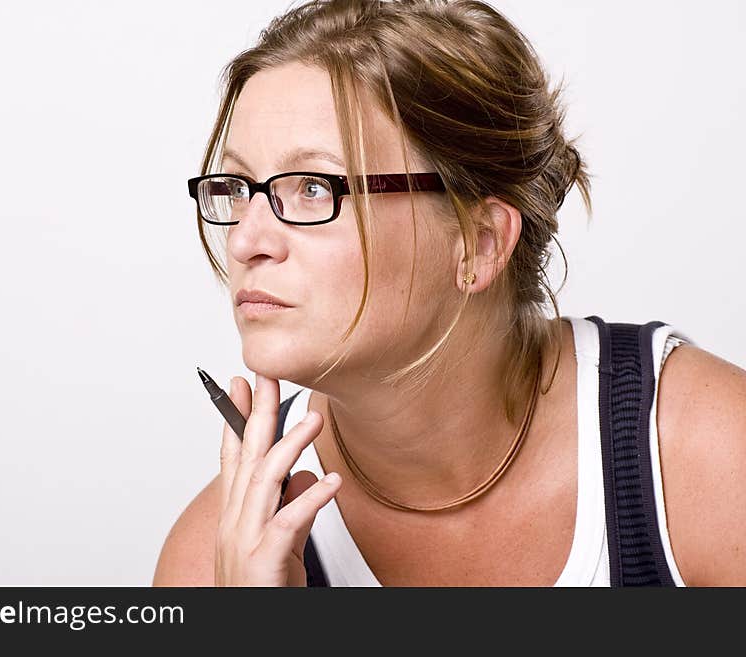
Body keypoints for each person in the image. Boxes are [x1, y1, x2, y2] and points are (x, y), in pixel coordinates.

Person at [153, 0, 746, 586]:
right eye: (237, 188)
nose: (246, 241)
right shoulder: (211, 564)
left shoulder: (709, 459)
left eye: (313, 186)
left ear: (479, 242)